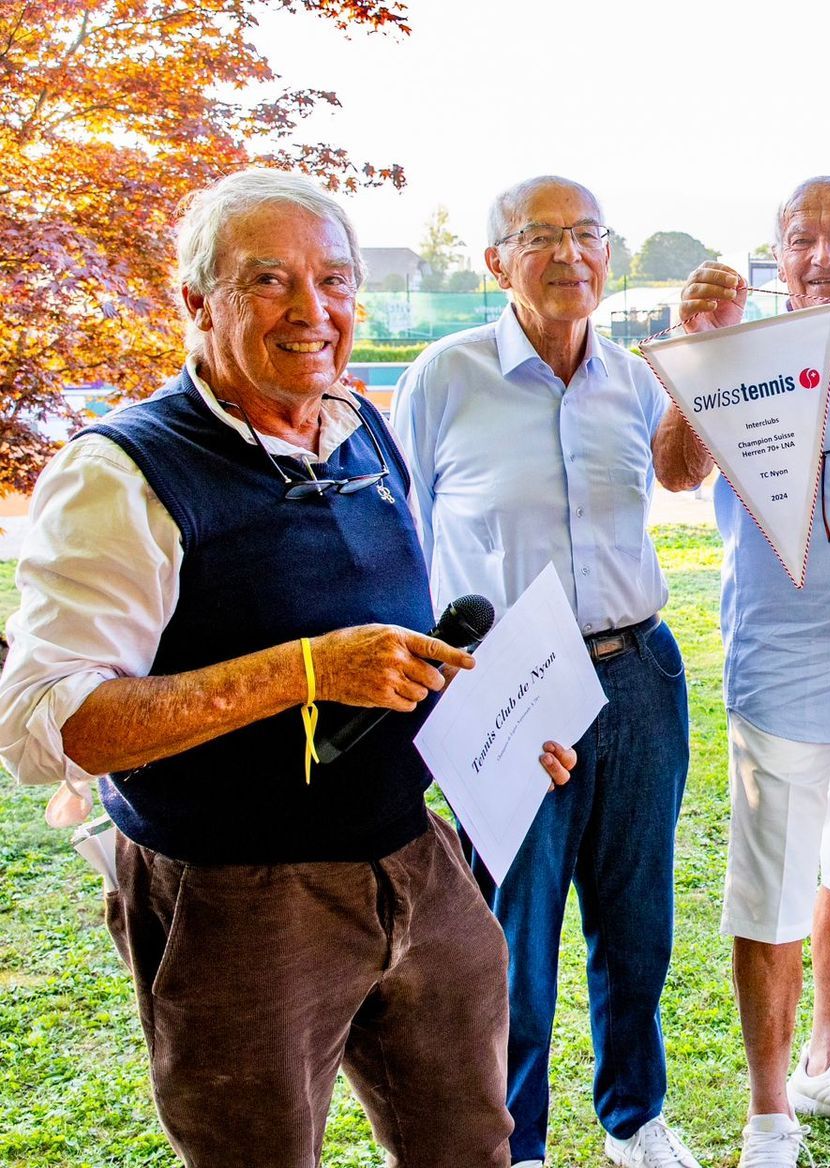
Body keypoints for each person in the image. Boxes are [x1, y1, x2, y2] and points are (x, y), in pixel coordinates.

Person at [0, 169, 576, 1168]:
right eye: (269, 282)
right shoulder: (122, 472)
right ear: (194, 303)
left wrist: (492, 729)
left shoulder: (362, 425)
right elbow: (52, 724)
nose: (313, 311)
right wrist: (302, 670)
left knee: (474, 1143)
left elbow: (382, 650)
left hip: (411, 859)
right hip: (237, 897)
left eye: (335, 280)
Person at [391, 176, 695, 1168]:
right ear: (496, 262)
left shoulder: (635, 378)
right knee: (508, 942)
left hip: (636, 673)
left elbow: (684, 471)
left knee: (637, 916)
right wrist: (456, 689)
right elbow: (398, 538)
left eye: (588, 235)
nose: (570, 254)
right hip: (506, 692)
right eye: (541, 237)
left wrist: (707, 369)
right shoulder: (445, 377)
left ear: (611, 253)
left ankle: (635, 1117)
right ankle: (511, 1143)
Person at [655, 177, 830, 1168]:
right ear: (776, 253)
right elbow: (679, 471)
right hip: (784, 670)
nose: (823, 256)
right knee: (771, 895)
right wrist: (699, 359)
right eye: (802, 239)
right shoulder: (750, 359)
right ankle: (769, 1111)